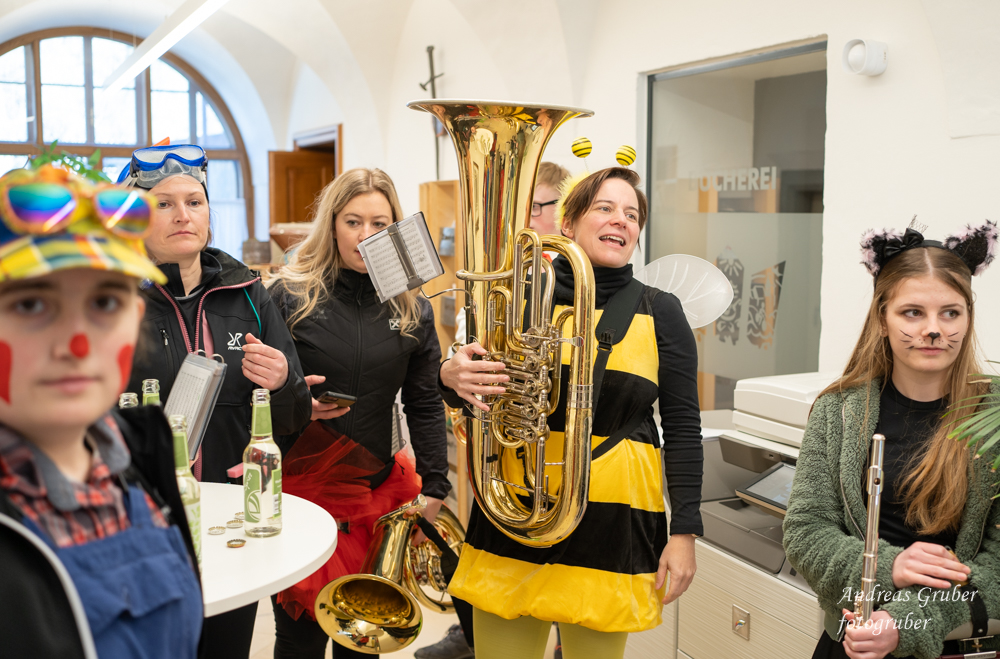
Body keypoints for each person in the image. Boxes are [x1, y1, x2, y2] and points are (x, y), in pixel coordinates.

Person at [439, 167, 704, 659]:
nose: (621, 220)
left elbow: (685, 427)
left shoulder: (661, 311)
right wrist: (450, 377)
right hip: (518, 512)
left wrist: (685, 531)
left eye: (632, 214)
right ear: (568, 223)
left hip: (613, 522)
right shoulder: (515, 302)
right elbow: (476, 395)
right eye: (605, 208)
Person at [0, 164, 203, 658]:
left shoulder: (142, 459)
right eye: (31, 305)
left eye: (106, 303)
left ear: (135, 320)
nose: (77, 344)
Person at [118, 144, 313, 658]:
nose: (183, 215)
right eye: (163, 204)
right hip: (145, 525)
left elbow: (296, 415)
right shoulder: (113, 300)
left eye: (195, 202)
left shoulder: (249, 293)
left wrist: (283, 382)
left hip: (232, 521)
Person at [782, 221, 1000, 659]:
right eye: (912, 312)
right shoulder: (837, 410)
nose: (933, 329)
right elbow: (806, 532)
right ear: (882, 319)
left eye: (950, 313)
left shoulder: (994, 416)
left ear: (968, 317)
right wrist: (889, 567)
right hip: (853, 643)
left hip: (958, 645)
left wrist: (906, 621)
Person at [266, 167, 451, 659]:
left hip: (377, 491)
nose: (366, 236)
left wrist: (436, 486)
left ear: (395, 230)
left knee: (363, 642)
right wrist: (297, 404)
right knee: (299, 642)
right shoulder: (288, 295)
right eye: (353, 222)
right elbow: (253, 393)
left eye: (379, 224)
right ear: (332, 225)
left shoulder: (412, 308)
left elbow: (424, 402)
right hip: (299, 493)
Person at [422, 160, 572, 659]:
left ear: (566, 213)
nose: (526, 220)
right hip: (500, 454)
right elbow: (462, 356)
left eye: (537, 206)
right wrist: (453, 371)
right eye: (521, 209)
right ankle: (472, 631)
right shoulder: (501, 284)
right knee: (491, 568)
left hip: (564, 460)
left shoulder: (583, 286)